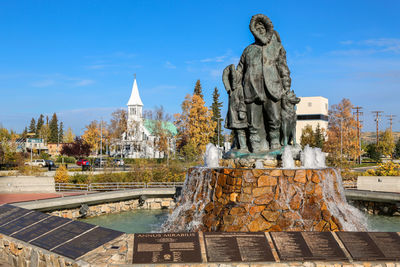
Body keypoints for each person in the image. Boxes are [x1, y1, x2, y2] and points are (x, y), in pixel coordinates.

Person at [236, 14, 291, 152]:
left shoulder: (277, 47)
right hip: (251, 89)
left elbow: (283, 68)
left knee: (275, 119)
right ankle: (255, 147)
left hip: (272, 88)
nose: (260, 30)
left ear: (266, 29)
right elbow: (240, 70)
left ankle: (275, 144)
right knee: (253, 122)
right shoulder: (248, 50)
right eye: (257, 28)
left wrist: (286, 87)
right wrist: (233, 83)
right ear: (253, 32)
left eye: (262, 28)